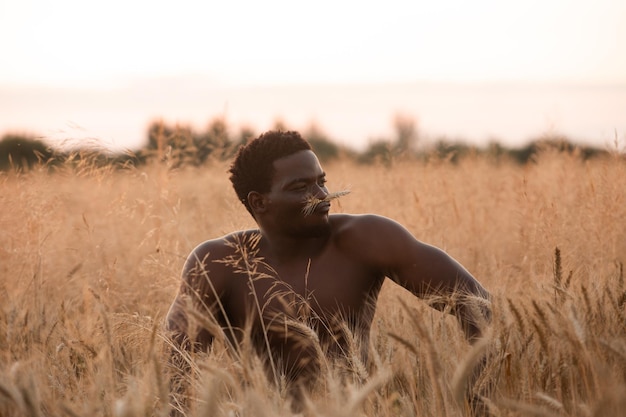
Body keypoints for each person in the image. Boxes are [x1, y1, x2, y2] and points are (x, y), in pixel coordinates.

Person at [165, 130, 492, 414]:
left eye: (322, 182)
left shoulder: (366, 239)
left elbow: (481, 306)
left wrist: (477, 400)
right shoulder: (218, 262)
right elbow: (176, 368)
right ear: (260, 202)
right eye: (300, 187)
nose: (322, 196)